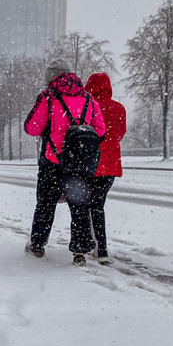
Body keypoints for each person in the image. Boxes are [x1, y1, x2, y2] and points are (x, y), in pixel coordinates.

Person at [23, 58, 106, 265]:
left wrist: (53, 131)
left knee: (45, 205)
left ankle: (38, 245)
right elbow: (101, 130)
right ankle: (80, 253)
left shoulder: (47, 97)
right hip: (79, 163)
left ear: (50, 77)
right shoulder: (88, 97)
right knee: (79, 207)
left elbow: (31, 127)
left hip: (53, 160)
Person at [84, 72, 126, 265]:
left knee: (87, 206)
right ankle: (100, 248)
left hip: (91, 164)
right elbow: (120, 134)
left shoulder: (88, 107)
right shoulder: (119, 108)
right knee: (98, 205)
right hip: (111, 166)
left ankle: (93, 247)